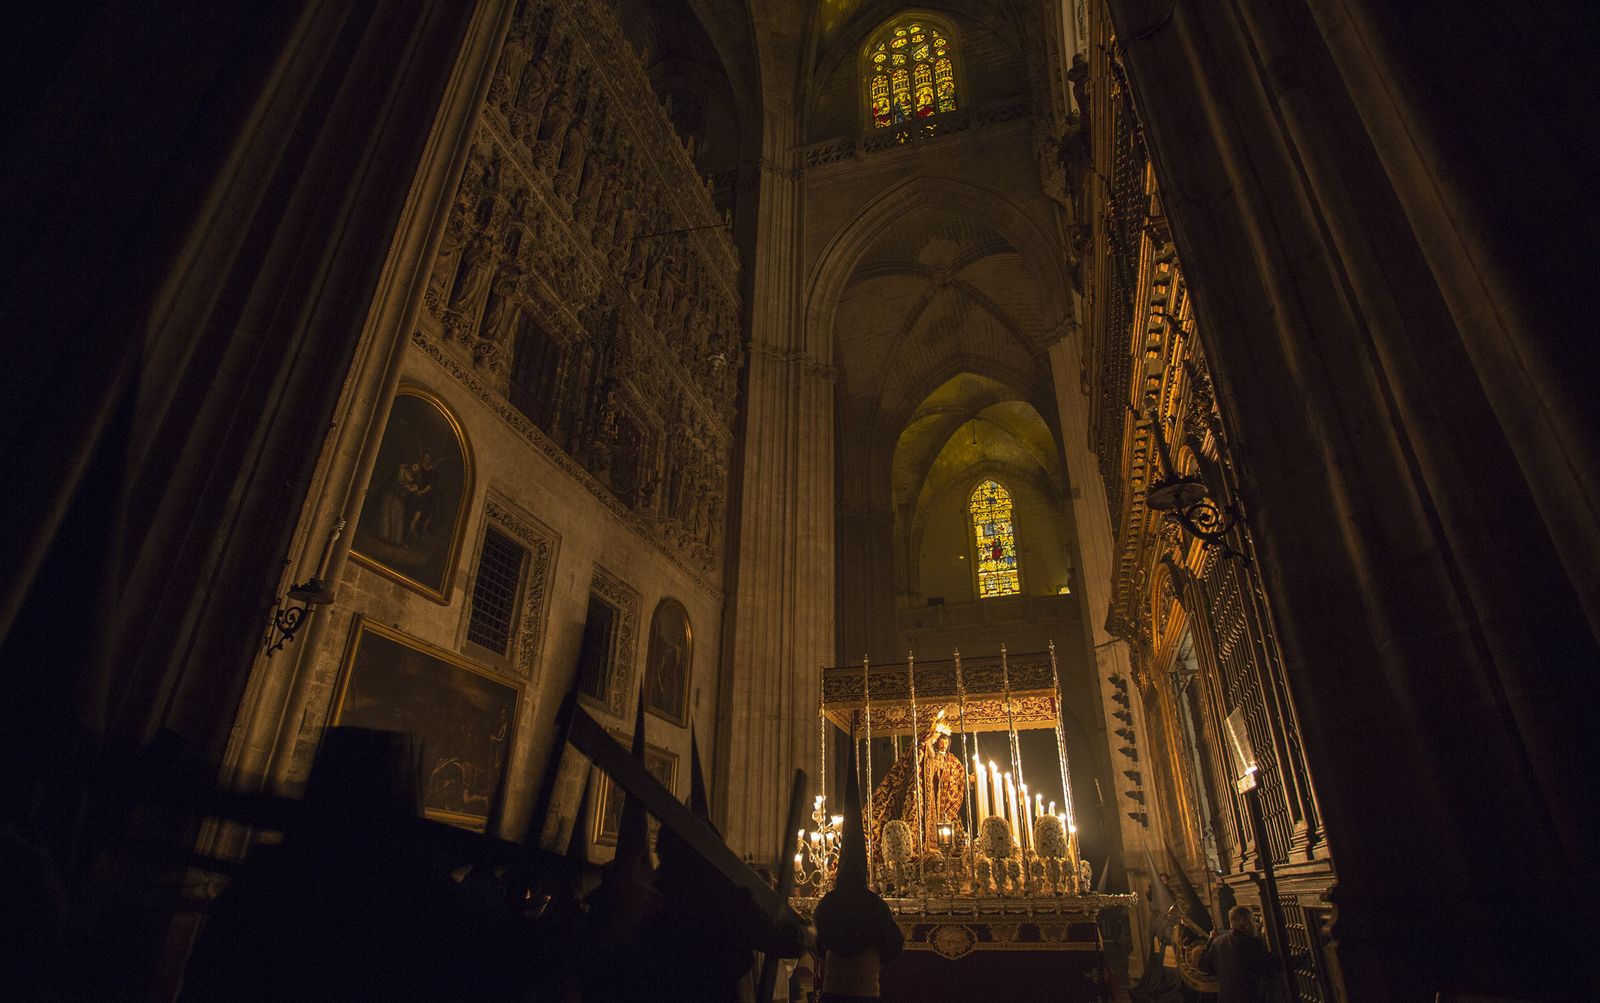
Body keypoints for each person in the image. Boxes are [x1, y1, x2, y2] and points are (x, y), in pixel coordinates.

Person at [815, 737, 903, 1001]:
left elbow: (818, 944)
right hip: (865, 992)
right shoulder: (873, 904)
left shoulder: (828, 903)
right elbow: (893, 945)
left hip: (832, 993)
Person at [867, 711, 965, 853]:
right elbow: (917, 760)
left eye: (946, 742)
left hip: (943, 806)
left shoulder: (951, 760)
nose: (943, 745)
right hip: (927, 798)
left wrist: (967, 779)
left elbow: (958, 774)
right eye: (940, 741)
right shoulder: (926, 752)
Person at [1199, 904, 1276, 1003]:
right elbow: (1272, 965)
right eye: (1253, 920)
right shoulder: (1252, 944)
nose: (1256, 925)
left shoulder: (1218, 942)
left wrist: (1210, 940)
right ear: (1246, 924)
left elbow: (1203, 966)